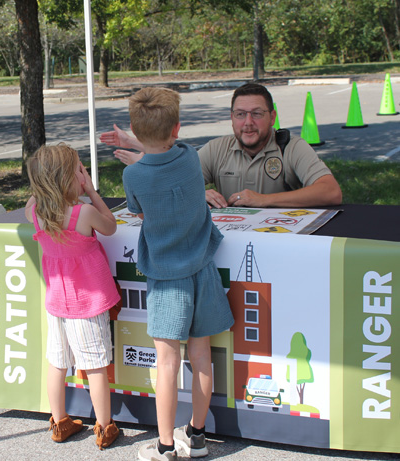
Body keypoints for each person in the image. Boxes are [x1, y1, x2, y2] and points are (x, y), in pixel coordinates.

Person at [121, 88, 234, 461]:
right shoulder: (188, 156)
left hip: (168, 279)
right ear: (178, 129)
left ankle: (165, 445)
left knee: (167, 364)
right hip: (203, 270)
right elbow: (168, 155)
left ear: (136, 134)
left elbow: (138, 208)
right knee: (202, 356)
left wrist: (135, 150)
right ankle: (197, 436)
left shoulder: (132, 175)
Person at [101, 82, 343, 209]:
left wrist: (264, 200)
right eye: (240, 114)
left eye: (257, 114)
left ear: (273, 117)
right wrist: (197, 193)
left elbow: (331, 192)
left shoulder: (291, 146)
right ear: (231, 117)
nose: (248, 123)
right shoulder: (218, 148)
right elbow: (173, 172)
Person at [24, 144, 121, 450]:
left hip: (57, 304)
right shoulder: (84, 213)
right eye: (79, 169)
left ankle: (60, 422)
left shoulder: (36, 212)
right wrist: (91, 191)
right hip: (87, 303)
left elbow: (36, 199)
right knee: (94, 367)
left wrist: (45, 188)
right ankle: (104, 427)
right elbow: (111, 226)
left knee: (57, 362)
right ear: (71, 178)